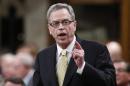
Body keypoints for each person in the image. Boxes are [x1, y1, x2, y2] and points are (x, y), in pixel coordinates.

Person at [33, 3, 116, 86]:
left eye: (65, 22)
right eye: (55, 23)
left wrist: (83, 66)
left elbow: (110, 82)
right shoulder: (42, 57)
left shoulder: (97, 50)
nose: (61, 27)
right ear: (49, 29)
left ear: (74, 25)